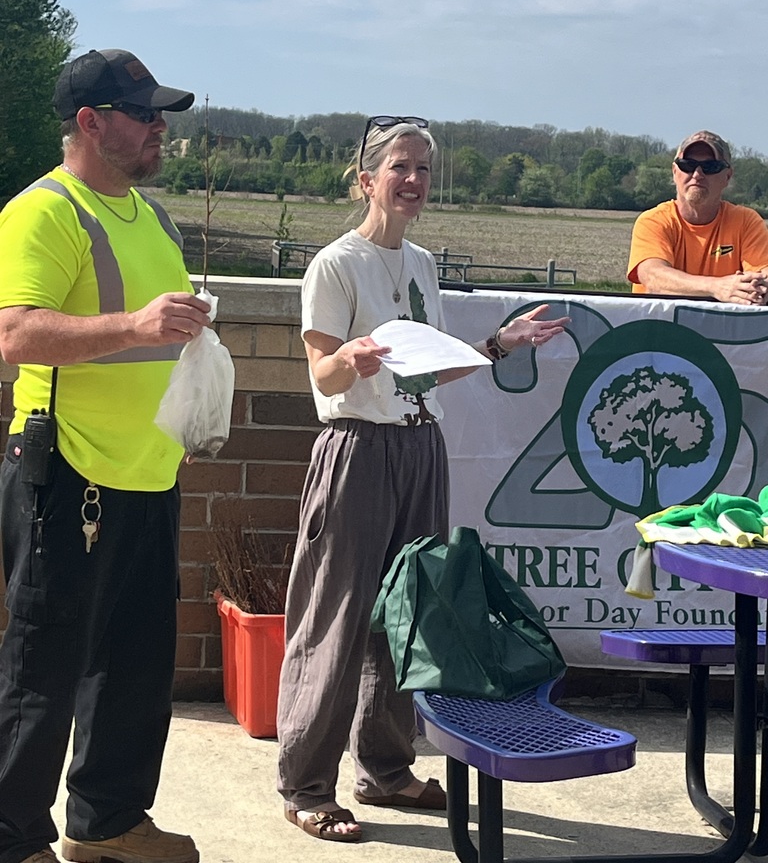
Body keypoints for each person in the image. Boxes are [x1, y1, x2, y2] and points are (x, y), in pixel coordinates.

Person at [276, 115, 570, 843]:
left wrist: (500, 344)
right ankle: (306, 784)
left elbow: (432, 363)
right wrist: (353, 358)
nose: (413, 181)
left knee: (408, 618)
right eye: (400, 167)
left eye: (424, 170)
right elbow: (320, 371)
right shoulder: (335, 265)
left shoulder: (421, 265)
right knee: (336, 617)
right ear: (365, 178)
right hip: (357, 451)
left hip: (419, 448)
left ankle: (384, 768)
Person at [0, 49, 212, 863]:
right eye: (144, 113)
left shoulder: (151, 216)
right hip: (66, 476)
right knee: (39, 673)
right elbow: (13, 336)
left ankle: (109, 824)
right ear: (90, 123)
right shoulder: (44, 212)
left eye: (161, 113)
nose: (161, 127)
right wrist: (137, 327)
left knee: (134, 665)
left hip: (147, 473)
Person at [627, 130, 768, 304]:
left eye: (710, 167)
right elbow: (653, 277)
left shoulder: (746, 221)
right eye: (688, 165)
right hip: (660, 328)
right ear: (674, 171)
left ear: (727, 176)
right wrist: (717, 287)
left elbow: (762, 273)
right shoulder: (653, 221)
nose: (697, 174)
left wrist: (759, 287)